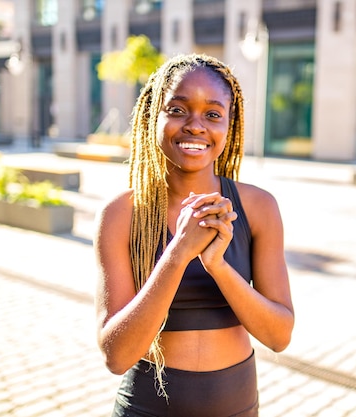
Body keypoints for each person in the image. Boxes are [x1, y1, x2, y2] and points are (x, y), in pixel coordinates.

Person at [94, 53, 295, 417]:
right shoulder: (120, 215)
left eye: (213, 114)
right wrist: (177, 253)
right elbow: (116, 355)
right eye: (177, 110)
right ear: (153, 117)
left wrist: (217, 265)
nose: (195, 126)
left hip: (237, 406)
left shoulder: (258, 207)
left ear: (229, 127)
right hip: (146, 408)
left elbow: (279, 335)